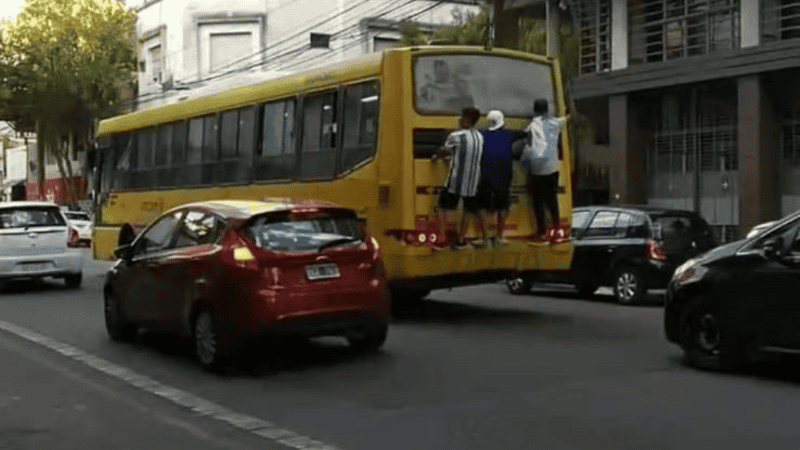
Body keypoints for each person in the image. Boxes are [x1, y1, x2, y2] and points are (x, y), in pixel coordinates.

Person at [432, 106, 487, 249]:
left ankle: (443, 238)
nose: (459, 119)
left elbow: (444, 151)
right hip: (473, 181)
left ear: (466, 120)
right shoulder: (480, 137)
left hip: (457, 179)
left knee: (441, 207)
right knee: (468, 210)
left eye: (461, 117)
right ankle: (461, 239)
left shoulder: (457, 136)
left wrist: (436, 156)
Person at [521, 99, 569, 244]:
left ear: (535, 110)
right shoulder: (556, 123)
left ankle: (541, 234)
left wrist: (526, 163)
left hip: (537, 170)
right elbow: (568, 118)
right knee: (552, 201)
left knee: (538, 203)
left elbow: (529, 147)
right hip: (553, 169)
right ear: (546, 110)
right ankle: (558, 233)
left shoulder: (531, 126)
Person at [478, 110, 515, 246]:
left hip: (486, 175)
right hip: (504, 177)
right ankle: (499, 236)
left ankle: (485, 237)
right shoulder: (509, 134)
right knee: (503, 206)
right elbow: (527, 135)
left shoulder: (483, 135)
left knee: (482, 206)